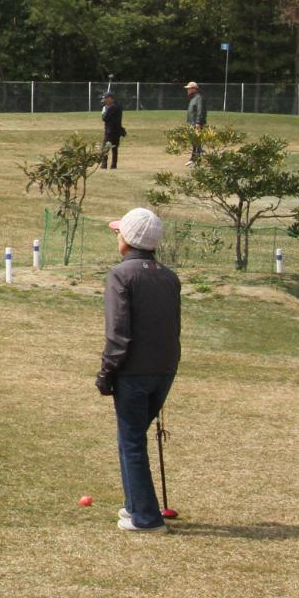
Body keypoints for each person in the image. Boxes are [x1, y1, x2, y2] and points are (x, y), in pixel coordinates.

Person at [96, 206, 182, 532]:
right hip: (165, 369)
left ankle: (146, 518)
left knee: (131, 441)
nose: (116, 236)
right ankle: (135, 507)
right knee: (131, 438)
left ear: (128, 240)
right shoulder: (168, 276)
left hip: (132, 371)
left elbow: (118, 333)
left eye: (119, 232)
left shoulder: (121, 275)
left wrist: (106, 373)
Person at [100, 91, 125, 170]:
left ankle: (104, 165)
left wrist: (104, 110)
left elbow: (104, 118)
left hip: (109, 131)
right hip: (117, 131)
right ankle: (114, 165)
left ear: (110, 99)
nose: (105, 101)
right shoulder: (119, 107)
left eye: (106, 99)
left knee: (105, 148)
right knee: (115, 149)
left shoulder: (110, 108)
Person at [184, 80, 207, 162]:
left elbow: (200, 111)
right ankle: (193, 157)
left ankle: (197, 158)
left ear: (194, 89)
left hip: (196, 124)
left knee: (197, 141)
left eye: (189, 89)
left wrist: (198, 122)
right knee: (194, 141)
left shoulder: (199, 98)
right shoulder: (193, 98)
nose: (188, 90)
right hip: (192, 123)